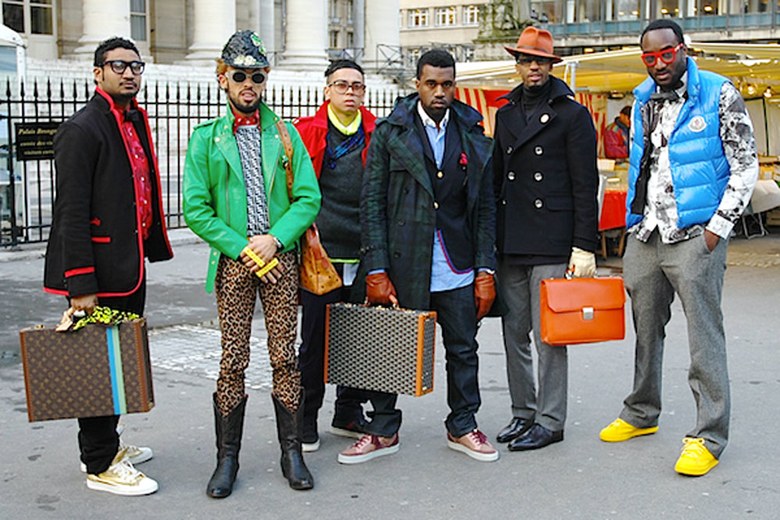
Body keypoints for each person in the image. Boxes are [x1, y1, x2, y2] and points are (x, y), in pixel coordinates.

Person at [598, 19, 758, 477]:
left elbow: (744, 164)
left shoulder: (718, 93)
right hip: (648, 234)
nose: (659, 63)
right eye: (650, 57)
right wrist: (631, 222)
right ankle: (641, 412)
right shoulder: (643, 96)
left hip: (696, 233)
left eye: (666, 53)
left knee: (703, 334)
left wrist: (718, 228)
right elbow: (639, 164)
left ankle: (709, 435)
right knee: (645, 329)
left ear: (683, 49)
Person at [343, 49, 498, 464]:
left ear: (454, 84)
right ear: (417, 84)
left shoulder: (471, 129)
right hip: (403, 258)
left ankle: (463, 424)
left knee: (463, 348)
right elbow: (371, 202)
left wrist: (486, 268)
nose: (440, 92)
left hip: (457, 262)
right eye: (432, 84)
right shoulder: (391, 131)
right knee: (388, 346)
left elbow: (484, 208)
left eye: (447, 84)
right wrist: (375, 267)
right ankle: (382, 428)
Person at [183, 30, 320, 497]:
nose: (249, 84)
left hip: (279, 259)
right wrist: (244, 246)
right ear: (223, 79)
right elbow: (196, 209)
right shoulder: (206, 139)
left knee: (284, 356)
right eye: (239, 75)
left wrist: (275, 240)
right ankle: (227, 459)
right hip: (235, 261)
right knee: (233, 359)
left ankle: (292, 452)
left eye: (257, 76)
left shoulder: (285, 134)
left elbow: (307, 197)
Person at [43, 36, 173, 496]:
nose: (129, 72)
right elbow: (70, 212)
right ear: (97, 73)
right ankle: (99, 464)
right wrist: (80, 284)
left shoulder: (130, 120)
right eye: (118, 65)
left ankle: (104, 445)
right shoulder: (83, 128)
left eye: (136, 65)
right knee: (98, 364)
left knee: (116, 360)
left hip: (127, 264)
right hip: (97, 270)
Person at [492, 26, 599, 451]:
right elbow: (497, 179)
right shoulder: (505, 114)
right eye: (525, 60)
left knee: (549, 335)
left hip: (552, 238)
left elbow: (584, 184)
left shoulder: (572, 114)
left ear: (551, 65)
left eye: (541, 60)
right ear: (517, 65)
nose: (533, 67)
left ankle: (550, 420)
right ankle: (523, 412)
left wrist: (585, 245)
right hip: (511, 237)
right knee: (512, 333)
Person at [293, 60, 376, 452]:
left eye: (357, 86)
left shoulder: (378, 132)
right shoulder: (304, 132)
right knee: (313, 339)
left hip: (363, 251)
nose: (350, 92)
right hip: (318, 253)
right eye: (341, 85)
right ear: (327, 90)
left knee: (359, 337)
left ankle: (347, 411)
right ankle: (305, 417)